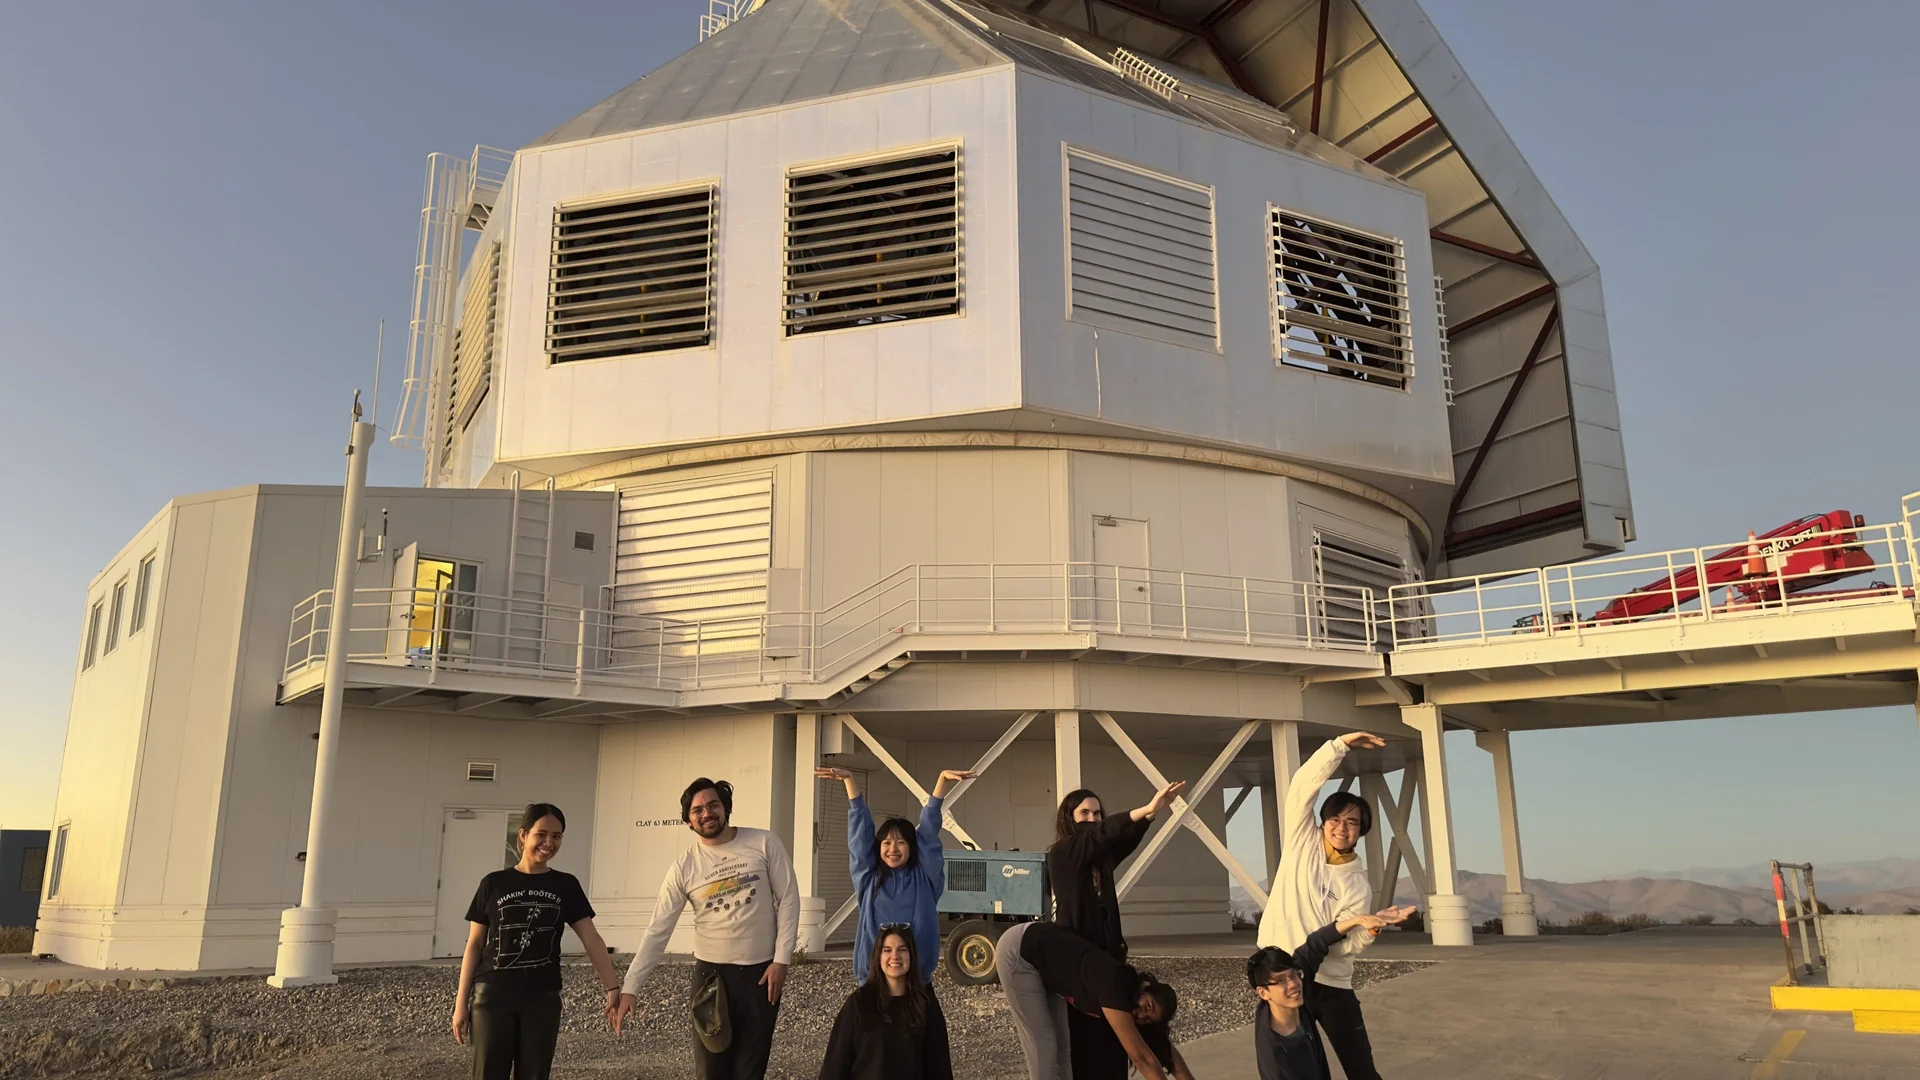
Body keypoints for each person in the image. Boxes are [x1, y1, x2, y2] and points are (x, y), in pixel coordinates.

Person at [612, 778, 800, 1080]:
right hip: (711, 979)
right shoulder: (683, 868)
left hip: (762, 975)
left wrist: (782, 960)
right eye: (697, 810)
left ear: (725, 807)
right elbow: (658, 930)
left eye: (713, 805)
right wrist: (631, 987)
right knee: (712, 1070)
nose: (706, 813)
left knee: (750, 1068)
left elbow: (789, 898)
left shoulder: (764, 843)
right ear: (688, 820)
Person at [450, 803, 624, 1080]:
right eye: (541, 834)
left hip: (542, 999)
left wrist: (612, 986)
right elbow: (474, 945)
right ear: (523, 835)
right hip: (492, 996)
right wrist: (461, 1005)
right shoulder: (493, 883)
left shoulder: (565, 885)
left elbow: (591, 938)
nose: (549, 843)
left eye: (556, 836)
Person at [1256, 731, 1390, 1080]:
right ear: (1324, 820)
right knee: (1293, 1068)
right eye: (1335, 819)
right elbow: (1303, 785)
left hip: (1331, 984)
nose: (1341, 828)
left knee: (1362, 1069)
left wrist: (1370, 929)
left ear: (1362, 831)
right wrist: (1339, 745)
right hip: (1285, 976)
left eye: (1352, 822)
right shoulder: (1302, 840)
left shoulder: (1358, 884)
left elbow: (1349, 944)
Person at [1045, 780, 1186, 1078]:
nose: (1093, 820)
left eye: (1097, 814)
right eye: (1084, 813)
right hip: (1081, 967)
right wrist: (1146, 808)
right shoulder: (1063, 853)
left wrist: (1150, 816)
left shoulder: (1101, 861)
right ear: (1068, 817)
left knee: (1114, 1046)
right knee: (1085, 1045)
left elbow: (1123, 838)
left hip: (1108, 964)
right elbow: (1102, 835)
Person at [815, 765, 974, 986]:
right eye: (886, 843)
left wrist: (941, 783)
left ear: (912, 847)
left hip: (917, 981)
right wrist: (850, 781)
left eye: (901, 842)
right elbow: (860, 840)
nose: (893, 849)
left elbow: (928, 831)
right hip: (872, 981)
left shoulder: (925, 878)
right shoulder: (869, 878)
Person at [993, 919, 1193, 1080]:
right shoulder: (1116, 986)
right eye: (1148, 1006)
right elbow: (1142, 1058)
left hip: (1046, 972)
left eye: (1148, 1019)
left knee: (1063, 1048)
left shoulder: (1130, 998)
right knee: (1044, 1047)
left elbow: (1167, 1054)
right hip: (1020, 953)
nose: (1140, 1014)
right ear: (1146, 988)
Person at [1247, 907, 1417, 1080]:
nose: (1293, 984)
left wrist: (1361, 921)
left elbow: (1317, 941)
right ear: (1263, 993)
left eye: (1293, 975)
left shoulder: (1293, 993)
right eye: (1281, 981)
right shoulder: (1276, 1058)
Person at [818, 925, 955, 1080]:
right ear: (878, 957)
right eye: (887, 950)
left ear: (912, 955)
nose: (895, 956)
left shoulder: (925, 1005)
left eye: (902, 949)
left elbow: (940, 1067)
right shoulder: (859, 1004)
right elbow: (835, 1064)